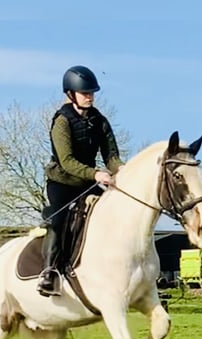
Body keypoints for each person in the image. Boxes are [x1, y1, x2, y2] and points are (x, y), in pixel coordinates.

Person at [38, 65, 124, 296]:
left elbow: (111, 156)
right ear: (70, 94)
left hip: (88, 183)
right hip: (62, 183)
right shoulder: (62, 122)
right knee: (59, 221)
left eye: (91, 93)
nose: (89, 97)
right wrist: (96, 174)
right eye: (85, 93)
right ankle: (49, 272)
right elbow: (66, 161)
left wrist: (123, 172)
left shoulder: (100, 120)